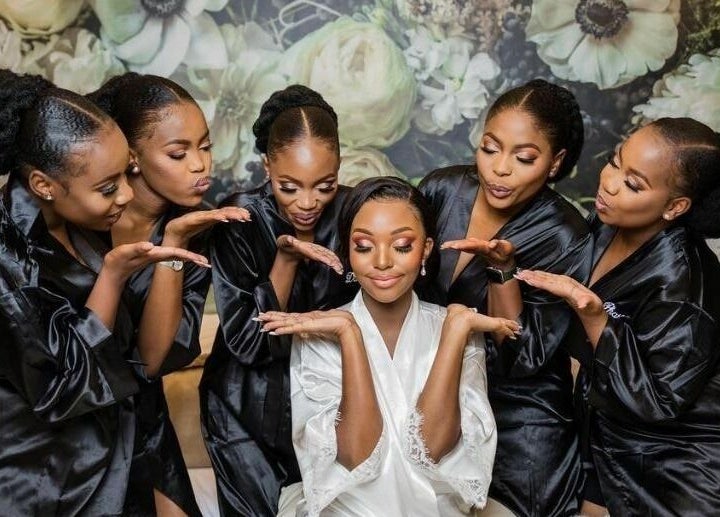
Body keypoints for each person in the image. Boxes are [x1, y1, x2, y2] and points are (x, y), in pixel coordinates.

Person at [0, 72, 207, 515]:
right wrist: (112, 277)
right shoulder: (8, 260)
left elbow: (138, 359)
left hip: (125, 442)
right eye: (109, 187)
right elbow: (65, 387)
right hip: (50, 478)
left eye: (126, 173)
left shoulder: (82, 222)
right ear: (43, 185)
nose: (128, 195)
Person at [258, 177, 518, 516]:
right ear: (348, 251)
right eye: (364, 246)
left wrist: (454, 335)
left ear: (426, 249)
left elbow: (431, 451)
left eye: (402, 246)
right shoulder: (317, 333)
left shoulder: (460, 327)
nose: (382, 261)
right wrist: (349, 334)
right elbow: (355, 457)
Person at [516, 118, 720, 516]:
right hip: (602, 428)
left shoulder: (682, 285)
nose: (609, 183)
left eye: (633, 184)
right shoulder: (608, 225)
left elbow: (659, 400)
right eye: (614, 161)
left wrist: (597, 318)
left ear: (675, 207)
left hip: (674, 460)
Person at [418, 79, 591, 516]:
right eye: (490, 148)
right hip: (435, 392)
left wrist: (502, 272)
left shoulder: (565, 234)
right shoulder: (441, 189)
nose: (499, 169)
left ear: (555, 163)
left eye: (524, 158)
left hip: (519, 413)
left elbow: (523, 358)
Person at [89, 72, 250, 516]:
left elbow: (154, 359)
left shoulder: (197, 231)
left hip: (142, 418)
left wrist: (173, 246)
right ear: (133, 158)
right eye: (179, 153)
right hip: (74, 420)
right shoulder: (81, 220)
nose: (200, 165)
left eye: (206, 147)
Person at [200, 84, 359, 516]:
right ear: (267, 166)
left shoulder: (355, 214)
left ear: (339, 167)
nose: (307, 203)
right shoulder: (240, 219)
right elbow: (251, 344)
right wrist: (285, 259)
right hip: (244, 410)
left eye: (325, 185)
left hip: (326, 403)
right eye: (289, 187)